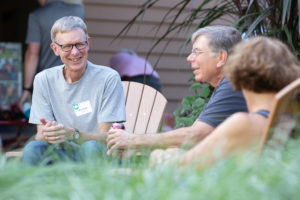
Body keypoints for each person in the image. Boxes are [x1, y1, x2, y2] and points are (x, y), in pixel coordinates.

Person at [150, 36, 300, 169]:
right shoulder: (287, 119)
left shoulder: (244, 123)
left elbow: (181, 167)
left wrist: (158, 155)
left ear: (239, 75)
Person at [106, 25, 248, 155]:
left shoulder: (233, 85)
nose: (189, 58)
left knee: (164, 157)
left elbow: (196, 136)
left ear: (220, 57)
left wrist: (134, 140)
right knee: (166, 154)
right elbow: (194, 136)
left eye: (197, 52)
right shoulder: (228, 85)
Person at [22, 16, 126, 166]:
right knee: (34, 148)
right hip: (61, 153)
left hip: (98, 155)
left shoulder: (108, 78)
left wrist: (73, 135)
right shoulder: (43, 79)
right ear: (55, 49)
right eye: (67, 46)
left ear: (88, 43)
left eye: (80, 44)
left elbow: (106, 139)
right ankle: (32, 189)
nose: (75, 52)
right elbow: (41, 135)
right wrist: (48, 133)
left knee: (89, 148)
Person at [18, 0, 85, 111]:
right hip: (76, 81)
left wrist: (27, 88)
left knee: (47, 124)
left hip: (48, 84)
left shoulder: (37, 16)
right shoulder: (79, 11)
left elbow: (32, 53)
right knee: (75, 121)